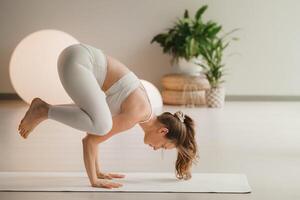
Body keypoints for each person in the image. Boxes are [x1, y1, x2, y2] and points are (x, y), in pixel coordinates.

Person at [18, 43, 199, 189]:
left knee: (98, 123)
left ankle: (44, 110)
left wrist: (99, 171)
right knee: (102, 125)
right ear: (163, 131)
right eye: (163, 147)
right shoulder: (137, 113)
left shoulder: (140, 109)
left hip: (74, 57)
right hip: (78, 62)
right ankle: (43, 110)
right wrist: (94, 181)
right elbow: (90, 141)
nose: (155, 148)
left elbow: (91, 135)